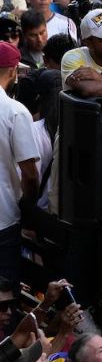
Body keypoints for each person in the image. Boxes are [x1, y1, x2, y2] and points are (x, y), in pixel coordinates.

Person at [0, 41, 39, 284]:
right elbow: (30, 174)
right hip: (4, 220)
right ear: (14, 71)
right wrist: (28, 205)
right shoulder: (15, 111)